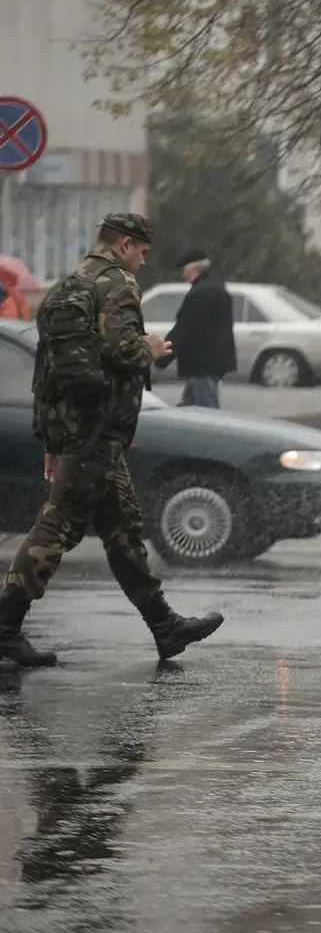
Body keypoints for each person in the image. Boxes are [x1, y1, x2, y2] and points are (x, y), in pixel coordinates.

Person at [0, 213, 225, 667]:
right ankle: (4, 627)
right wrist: (153, 349)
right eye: (142, 251)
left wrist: (53, 438)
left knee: (123, 530)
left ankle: (165, 627)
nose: (143, 261)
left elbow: (48, 373)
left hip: (84, 433)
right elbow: (124, 351)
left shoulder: (69, 285)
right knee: (58, 525)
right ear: (124, 244)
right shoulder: (117, 284)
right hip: (97, 435)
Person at [155, 249, 236, 408]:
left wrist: (161, 355)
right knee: (189, 408)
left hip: (202, 364)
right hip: (212, 362)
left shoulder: (200, 294)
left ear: (193, 270)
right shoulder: (218, 287)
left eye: (184, 271)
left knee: (205, 414)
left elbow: (185, 330)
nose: (183, 275)